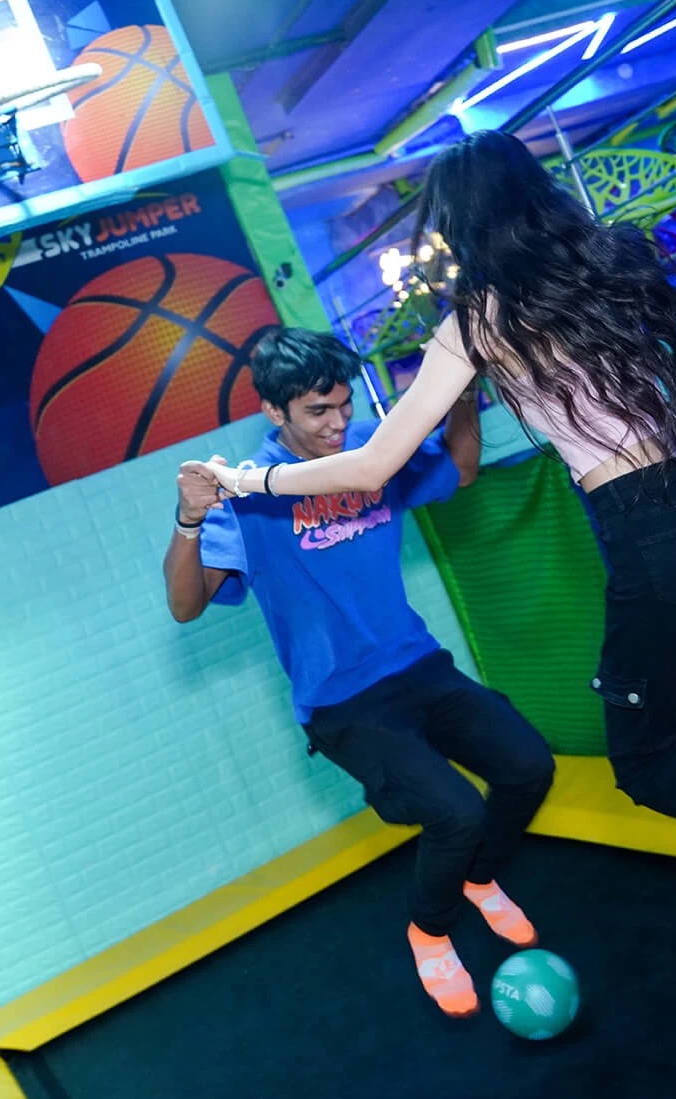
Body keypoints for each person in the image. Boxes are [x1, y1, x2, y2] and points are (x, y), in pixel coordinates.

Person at [190, 131, 676, 969]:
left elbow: (371, 465)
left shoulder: (479, 316)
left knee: (648, 764)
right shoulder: (606, 262)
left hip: (655, 534)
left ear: (461, 223)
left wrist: (244, 484)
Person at [164, 326, 555, 1017]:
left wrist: (461, 395)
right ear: (274, 411)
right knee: (457, 814)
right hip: (344, 703)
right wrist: (190, 521)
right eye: (318, 412)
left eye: (343, 405)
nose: (338, 423)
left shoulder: (369, 451)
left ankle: (481, 879)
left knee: (528, 766)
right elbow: (186, 606)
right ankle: (428, 932)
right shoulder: (249, 492)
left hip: (418, 666)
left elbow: (459, 470)